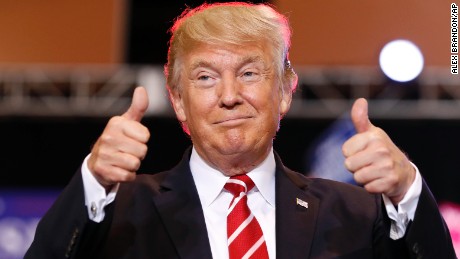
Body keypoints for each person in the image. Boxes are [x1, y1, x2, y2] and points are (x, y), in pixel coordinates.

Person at [25, 2, 455, 259]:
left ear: (285, 91)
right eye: (206, 78)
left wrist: (406, 190)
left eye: (249, 73)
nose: (229, 96)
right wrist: (93, 180)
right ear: (178, 100)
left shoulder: (355, 215)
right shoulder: (120, 212)